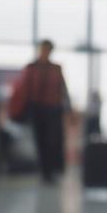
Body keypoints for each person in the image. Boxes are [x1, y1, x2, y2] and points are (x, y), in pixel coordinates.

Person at [21, 39, 71, 183]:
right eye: (44, 49)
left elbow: (63, 89)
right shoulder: (31, 68)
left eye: (48, 50)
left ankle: (52, 170)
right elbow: (26, 91)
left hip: (54, 109)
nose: (45, 52)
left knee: (53, 141)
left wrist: (69, 109)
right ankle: (44, 172)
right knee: (40, 141)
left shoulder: (56, 68)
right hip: (37, 109)